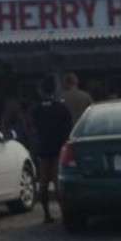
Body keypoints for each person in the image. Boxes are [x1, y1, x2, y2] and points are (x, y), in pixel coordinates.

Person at [32, 76, 73, 223]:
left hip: (43, 149)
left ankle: (46, 214)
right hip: (58, 148)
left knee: (43, 183)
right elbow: (69, 127)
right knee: (57, 182)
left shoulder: (36, 109)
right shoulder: (61, 107)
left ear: (41, 91)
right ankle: (63, 213)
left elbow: (33, 128)